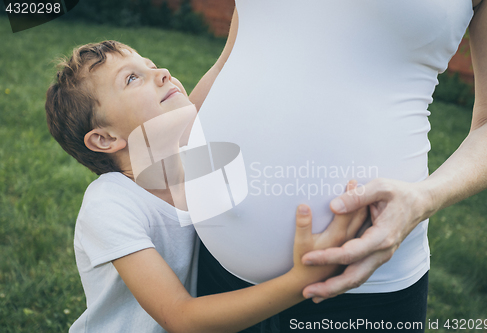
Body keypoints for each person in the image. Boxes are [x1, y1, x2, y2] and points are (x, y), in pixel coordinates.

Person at [190, 0, 487, 331]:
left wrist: (425, 198)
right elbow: (229, 61)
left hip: (360, 288)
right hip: (214, 267)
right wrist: (142, 172)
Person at [44, 40, 368, 332]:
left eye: (152, 65)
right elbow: (180, 316)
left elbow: (224, 63)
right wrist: (303, 280)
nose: (163, 74)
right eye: (132, 78)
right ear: (105, 138)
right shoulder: (110, 205)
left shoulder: (191, 162)